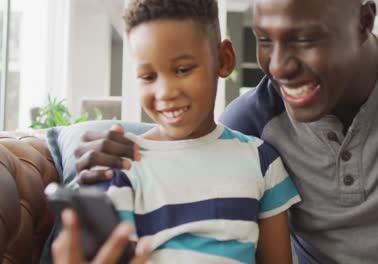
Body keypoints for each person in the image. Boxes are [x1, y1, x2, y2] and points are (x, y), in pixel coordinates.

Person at [73, 0, 378, 263]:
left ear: (364, 21)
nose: (278, 67)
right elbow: (194, 156)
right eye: (264, 40)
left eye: (305, 39)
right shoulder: (251, 126)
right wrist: (94, 161)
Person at [52, 0, 301, 263]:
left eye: (182, 70)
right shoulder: (122, 166)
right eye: (148, 76)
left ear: (224, 60)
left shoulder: (262, 160)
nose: (165, 92)